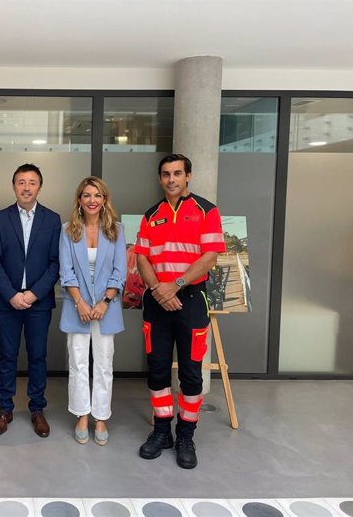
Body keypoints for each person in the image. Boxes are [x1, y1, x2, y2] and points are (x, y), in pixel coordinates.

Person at [134, 154, 225, 469]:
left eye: (177, 173)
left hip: (191, 300)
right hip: (157, 302)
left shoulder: (206, 211)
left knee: (190, 373)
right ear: (160, 179)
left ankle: (186, 435)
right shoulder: (151, 215)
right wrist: (160, 289)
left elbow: (210, 255)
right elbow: (142, 258)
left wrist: (176, 284)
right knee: (158, 369)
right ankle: (162, 432)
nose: (171, 179)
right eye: (165, 174)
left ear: (188, 176)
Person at [0, 163, 61, 438]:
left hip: (38, 303)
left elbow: (55, 263)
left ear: (39, 187)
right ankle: (4, 409)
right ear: (14, 186)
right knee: (7, 356)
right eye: (21, 182)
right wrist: (12, 295)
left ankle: (37, 409)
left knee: (37, 357)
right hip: (7, 302)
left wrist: (32, 294)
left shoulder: (52, 220)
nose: (26, 187)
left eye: (32, 182)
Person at [59, 177, 126, 446]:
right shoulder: (67, 231)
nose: (92, 200)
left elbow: (119, 272)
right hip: (78, 307)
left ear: (104, 199)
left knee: (104, 364)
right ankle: (82, 415)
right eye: (86, 195)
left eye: (97, 195)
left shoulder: (117, 231)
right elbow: (66, 272)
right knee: (77, 364)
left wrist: (104, 303)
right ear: (79, 200)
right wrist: (81, 303)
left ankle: (100, 416)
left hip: (106, 308)